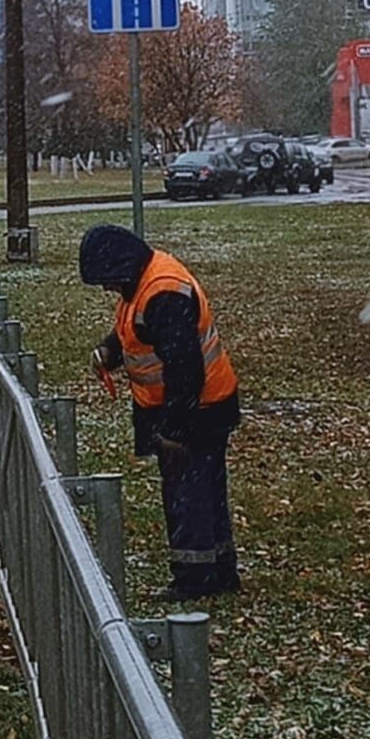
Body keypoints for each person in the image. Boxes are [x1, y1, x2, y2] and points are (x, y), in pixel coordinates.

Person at [79, 223, 241, 601]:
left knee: (188, 495)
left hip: (198, 411)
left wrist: (174, 431)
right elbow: (135, 331)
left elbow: (185, 370)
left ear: (121, 267)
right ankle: (219, 570)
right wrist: (110, 351)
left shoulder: (163, 292)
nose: (107, 289)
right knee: (207, 493)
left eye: (107, 281)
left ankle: (195, 579)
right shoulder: (146, 281)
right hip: (207, 406)